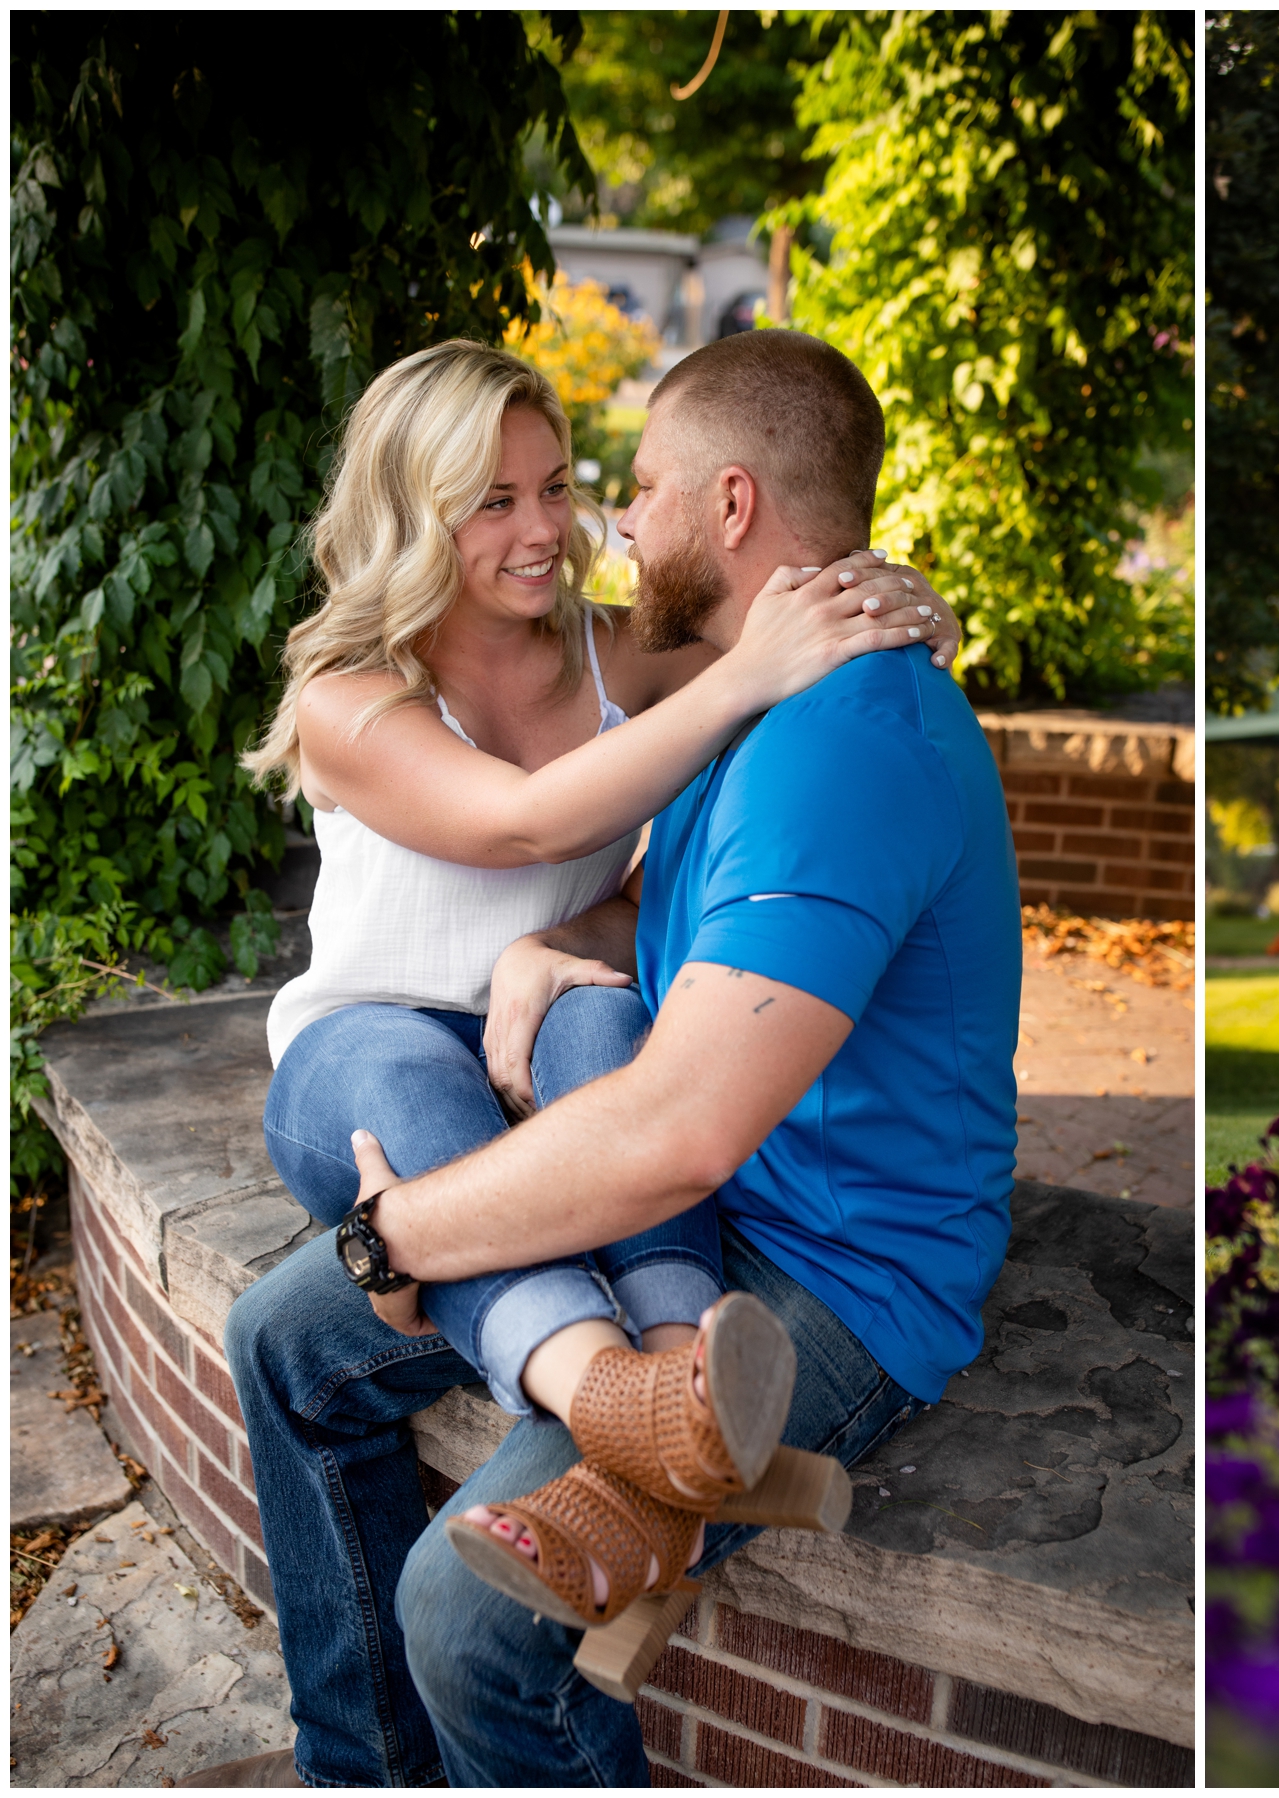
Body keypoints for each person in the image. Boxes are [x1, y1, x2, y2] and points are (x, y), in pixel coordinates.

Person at [216, 327, 1020, 1788]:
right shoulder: (725, 695)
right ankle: (362, 1763)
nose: (592, 528)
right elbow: (588, 861)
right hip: (464, 1082)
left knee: (462, 1617)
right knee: (284, 1333)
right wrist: (564, 927)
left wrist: (390, 1234)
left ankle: (645, 1393)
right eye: (501, 499)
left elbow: (677, 1129)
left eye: (605, 487)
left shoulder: (813, 722)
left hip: (827, 1262)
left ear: (726, 508)